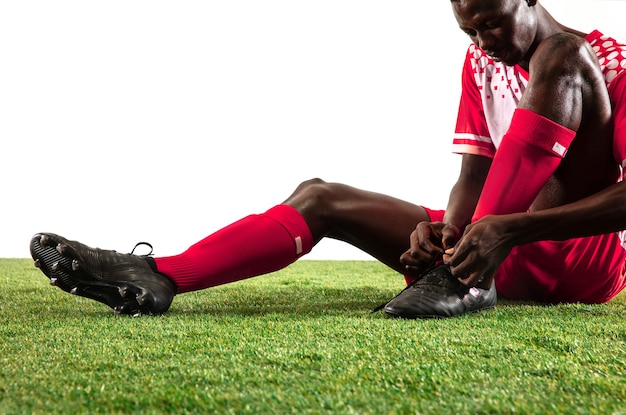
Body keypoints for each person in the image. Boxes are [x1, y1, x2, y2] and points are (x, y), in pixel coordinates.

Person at [30, 0, 626, 318]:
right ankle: (159, 276)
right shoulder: (481, 64)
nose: (482, 43)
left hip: (578, 262)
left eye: (491, 24)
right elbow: (473, 173)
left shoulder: (603, 60)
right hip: (491, 251)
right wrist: (450, 231)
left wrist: (506, 232)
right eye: (468, 30)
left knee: (563, 56)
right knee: (320, 196)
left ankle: (464, 280)